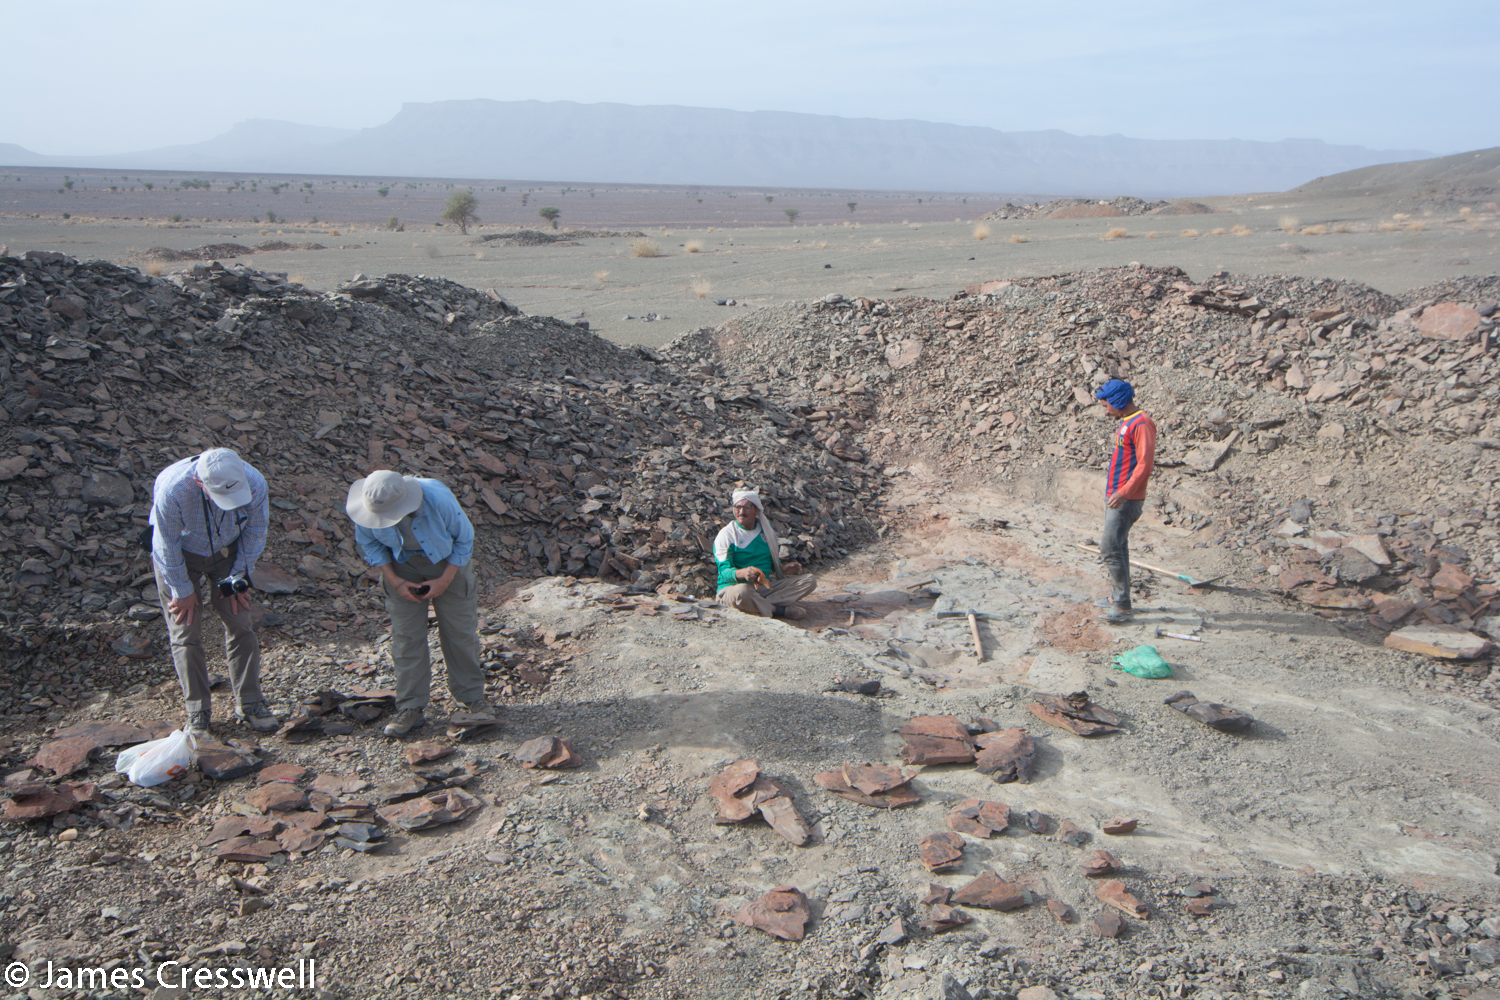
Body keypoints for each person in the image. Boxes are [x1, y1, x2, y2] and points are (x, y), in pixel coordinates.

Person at [346, 470, 495, 737]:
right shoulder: (366, 509)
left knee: (459, 633)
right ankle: (410, 708)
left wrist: (444, 580)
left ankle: (472, 699)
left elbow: (464, 540)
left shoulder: (437, 497)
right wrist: (395, 582)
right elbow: (370, 546)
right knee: (406, 638)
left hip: (448, 563)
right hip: (401, 568)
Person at [150, 448, 277, 736]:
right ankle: (198, 711)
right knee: (185, 631)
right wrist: (182, 589)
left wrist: (236, 578)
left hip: (228, 555)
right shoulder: (174, 489)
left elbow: (256, 531)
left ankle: (250, 702)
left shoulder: (254, 482)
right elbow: (165, 544)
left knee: (240, 621)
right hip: (180, 557)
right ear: (200, 484)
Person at [1094, 379, 1157, 623]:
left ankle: (1121, 606)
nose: (1106, 410)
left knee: (1109, 549)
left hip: (1126, 500)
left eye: (1107, 405)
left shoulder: (1142, 423)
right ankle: (1119, 599)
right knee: (1119, 547)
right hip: (1117, 497)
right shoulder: (1127, 422)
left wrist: (1124, 492)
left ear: (1118, 401)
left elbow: (1145, 464)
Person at [714, 488, 816, 619]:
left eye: (747, 507)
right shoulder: (726, 535)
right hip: (734, 588)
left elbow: (772, 561)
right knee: (742, 592)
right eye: (737, 507)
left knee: (810, 581)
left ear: (757, 510)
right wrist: (743, 573)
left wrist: (784, 569)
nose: (741, 512)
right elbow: (724, 573)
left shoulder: (765, 529)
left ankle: (757, 604)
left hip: (762, 587)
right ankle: (777, 610)